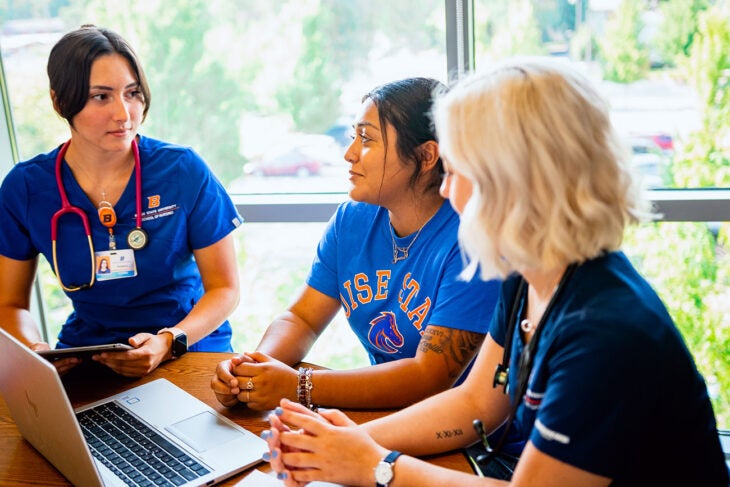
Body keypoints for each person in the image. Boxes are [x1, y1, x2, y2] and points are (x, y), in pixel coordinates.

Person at [262, 59, 730, 486]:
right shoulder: (533, 278)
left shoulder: (604, 335)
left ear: (512, 183)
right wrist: (335, 441)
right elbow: (475, 404)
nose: (445, 188)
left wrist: (375, 465)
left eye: (457, 171)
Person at [211, 77, 500, 411]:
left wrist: (299, 386)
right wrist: (254, 368)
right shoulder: (353, 219)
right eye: (354, 136)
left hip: (467, 438)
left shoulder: (472, 240)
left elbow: (429, 378)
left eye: (367, 139)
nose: (349, 154)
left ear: (426, 156)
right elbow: (302, 318)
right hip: (387, 414)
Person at [0, 25, 242, 377]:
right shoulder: (26, 188)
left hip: (187, 350)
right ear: (59, 101)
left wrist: (169, 340)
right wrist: (37, 351)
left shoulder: (181, 170)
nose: (124, 114)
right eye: (102, 96)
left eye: (132, 93)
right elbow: (9, 304)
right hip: (88, 356)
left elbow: (225, 289)